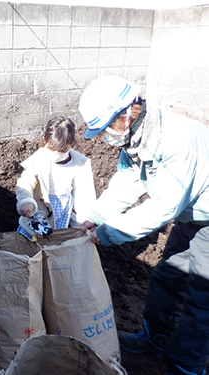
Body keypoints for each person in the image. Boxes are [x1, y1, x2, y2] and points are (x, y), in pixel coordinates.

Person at [79, 75, 209, 375]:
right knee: (168, 275)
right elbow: (128, 181)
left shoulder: (174, 145)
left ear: (125, 116)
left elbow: (161, 208)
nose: (105, 136)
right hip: (192, 214)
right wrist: (95, 216)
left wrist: (106, 234)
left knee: (201, 294)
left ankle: (186, 365)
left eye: (107, 128)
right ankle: (156, 339)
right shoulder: (140, 137)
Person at [16, 117, 96, 238]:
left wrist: (84, 222)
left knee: (55, 239)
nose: (56, 154)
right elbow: (25, 183)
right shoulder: (38, 160)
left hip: (62, 210)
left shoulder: (79, 163)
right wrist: (26, 201)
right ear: (45, 140)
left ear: (71, 144)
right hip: (40, 211)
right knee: (32, 241)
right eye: (52, 149)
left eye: (63, 150)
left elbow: (84, 195)